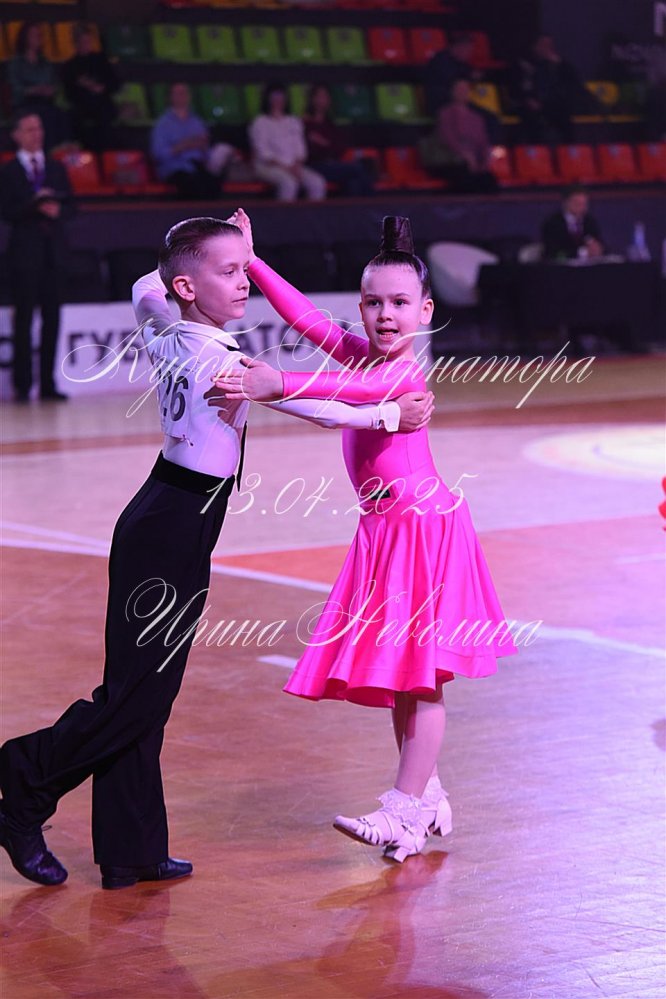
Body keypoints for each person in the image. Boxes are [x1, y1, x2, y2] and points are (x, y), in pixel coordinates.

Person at [0, 215, 434, 890]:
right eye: (228, 273)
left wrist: (207, 250)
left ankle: (132, 849)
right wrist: (389, 416)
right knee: (138, 696)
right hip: (173, 527)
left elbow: (146, 283)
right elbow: (317, 406)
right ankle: (22, 778)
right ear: (187, 286)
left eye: (242, 271)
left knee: (145, 691)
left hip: (165, 515)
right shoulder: (220, 360)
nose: (241, 283)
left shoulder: (161, 319)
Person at [216, 211, 518, 863]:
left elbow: (346, 394)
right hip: (389, 532)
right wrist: (255, 260)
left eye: (400, 303)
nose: (385, 315)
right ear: (361, 306)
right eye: (374, 303)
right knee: (405, 677)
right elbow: (308, 321)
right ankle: (425, 795)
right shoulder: (365, 353)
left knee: (424, 681)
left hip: (422, 533)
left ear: (425, 311)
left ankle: (403, 806)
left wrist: (277, 383)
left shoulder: (400, 375)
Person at [0, 110, 75, 402]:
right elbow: (6, 211)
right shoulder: (8, 171)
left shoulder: (55, 168)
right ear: (17, 135)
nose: (36, 134)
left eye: (39, 128)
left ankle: (48, 383)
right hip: (24, 254)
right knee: (24, 319)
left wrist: (58, 210)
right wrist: (34, 205)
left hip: (54, 253)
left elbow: (72, 206)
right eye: (30, 129)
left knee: (52, 319)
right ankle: (22, 385)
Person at [151, 83, 234, 200]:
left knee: (214, 183)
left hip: (198, 167)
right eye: (178, 93)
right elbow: (158, 154)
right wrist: (183, 146)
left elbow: (206, 151)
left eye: (184, 93)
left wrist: (205, 148)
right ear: (170, 97)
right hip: (175, 168)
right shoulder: (163, 124)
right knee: (193, 184)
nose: (182, 96)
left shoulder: (197, 122)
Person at [249, 82, 326, 202]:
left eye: (281, 96)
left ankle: (314, 214)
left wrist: (296, 165)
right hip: (268, 167)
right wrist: (286, 168)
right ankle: (284, 214)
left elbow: (300, 149)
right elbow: (263, 153)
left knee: (317, 183)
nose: (278, 100)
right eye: (274, 96)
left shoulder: (293, 121)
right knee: (289, 183)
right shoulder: (260, 122)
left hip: (294, 166)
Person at [419, 79, 498, 193]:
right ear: (452, 92)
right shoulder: (444, 113)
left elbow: (483, 141)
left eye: (465, 89)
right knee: (464, 176)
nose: (462, 92)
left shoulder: (477, 117)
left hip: (472, 161)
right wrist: (466, 155)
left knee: (489, 180)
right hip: (450, 160)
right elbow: (448, 138)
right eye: (459, 89)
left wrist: (484, 160)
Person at [509, 34, 584, 144]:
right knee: (532, 120)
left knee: (564, 115)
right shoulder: (521, 64)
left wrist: (561, 63)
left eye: (549, 46)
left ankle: (568, 151)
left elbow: (573, 81)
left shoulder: (552, 64)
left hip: (547, 104)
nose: (547, 49)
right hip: (525, 104)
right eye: (543, 45)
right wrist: (527, 100)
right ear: (534, 46)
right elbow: (515, 88)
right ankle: (536, 151)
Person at [303, 84, 374, 196]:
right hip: (314, 166)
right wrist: (327, 146)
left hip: (333, 164)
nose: (322, 100)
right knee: (357, 168)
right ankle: (375, 202)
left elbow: (339, 147)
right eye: (319, 96)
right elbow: (308, 152)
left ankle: (357, 207)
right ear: (312, 99)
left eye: (325, 96)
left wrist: (323, 143)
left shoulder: (330, 124)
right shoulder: (305, 124)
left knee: (352, 183)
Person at [8, 22, 68, 151]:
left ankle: (57, 153)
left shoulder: (45, 63)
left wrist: (50, 90)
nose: (38, 38)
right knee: (41, 116)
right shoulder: (16, 63)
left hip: (46, 102)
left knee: (61, 115)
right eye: (34, 35)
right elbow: (14, 89)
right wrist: (32, 90)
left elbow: (54, 84)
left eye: (40, 35)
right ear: (25, 38)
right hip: (25, 104)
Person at [61, 22, 119, 152]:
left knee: (105, 118)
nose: (85, 45)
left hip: (103, 103)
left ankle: (106, 154)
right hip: (81, 105)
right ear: (75, 43)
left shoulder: (101, 61)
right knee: (74, 119)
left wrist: (101, 88)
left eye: (87, 41)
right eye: (82, 41)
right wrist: (83, 86)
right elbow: (69, 94)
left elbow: (114, 84)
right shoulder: (69, 66)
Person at [541, 185, 604, 260]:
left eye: (584, 204)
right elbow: (552, 252)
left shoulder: (589, 222)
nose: (582, 207)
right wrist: (582, 253)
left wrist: (598, 249)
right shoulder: (552, 223)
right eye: (577, 203)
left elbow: (600, 243)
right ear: (565, 202)